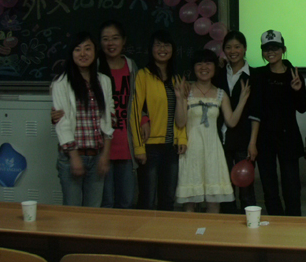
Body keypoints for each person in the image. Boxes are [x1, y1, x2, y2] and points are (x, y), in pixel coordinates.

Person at [174, 49, 250, 213]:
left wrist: (242, 100)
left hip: (213, 151)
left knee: (213, 201)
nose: (204, 67)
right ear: (193, 68)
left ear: (215, 67)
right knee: (190, 201)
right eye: (199, 63)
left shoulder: (220, 94)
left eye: (208, 63)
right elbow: (180, 123)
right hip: (191, 150)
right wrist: (180, 98)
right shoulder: (186, 91)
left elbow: (231, 122)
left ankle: (209, 230)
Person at [51, 31, 114, 207]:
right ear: (71, 53)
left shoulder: (104, 81)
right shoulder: (61, 83)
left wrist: (105, 155)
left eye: (88, 48)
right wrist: (74, 157)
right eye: (78, 49)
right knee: (72, 213)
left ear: (95, 52)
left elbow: (109, 119)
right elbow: (62, 123)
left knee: (93, 212)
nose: (83, 53)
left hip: (97, 156)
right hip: (71, 156)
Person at [250, 30, 306, 216]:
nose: (270, 52)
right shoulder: (259, 75)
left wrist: (298, 90)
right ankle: (275, 222)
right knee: (269, 186)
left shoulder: (294, 74)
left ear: (283, 49)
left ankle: (293, 222)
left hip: (288, 137)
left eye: (275, 48)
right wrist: (252, 142)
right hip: (264, 138)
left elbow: (302, 108)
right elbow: (256, 110)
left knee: (292, 185)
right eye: (266, 49)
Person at [131, 30, 187, 210]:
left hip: (171, 148)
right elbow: (135, 111)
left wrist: (182, 138)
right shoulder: (143, 75)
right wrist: (139, 147)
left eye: (166, 45)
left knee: (168, 200)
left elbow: (181, 110)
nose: (162, 49)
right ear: (151, 49)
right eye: (158, 45)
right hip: (150, 147)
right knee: (147, 199)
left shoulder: (176, 78)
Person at [215, 31, 259, 214]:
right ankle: (228, 226)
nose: (233, 51)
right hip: (221, 140)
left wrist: (253, 143)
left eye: (237, 47)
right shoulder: (217, 75)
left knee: (246, 189)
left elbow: (256, 113)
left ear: (245, 48)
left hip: (244, 140)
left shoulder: (254, 76)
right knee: (225, 189)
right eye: (228, 47)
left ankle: (251, 225)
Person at [97, 20, 140, 209]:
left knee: (127, 202)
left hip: (126, 143)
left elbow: (139, 99)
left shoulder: (130, 66)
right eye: (105, 39)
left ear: (123, 41)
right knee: (106, 202)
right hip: (102, 144)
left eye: (115, 38)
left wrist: (144, 119)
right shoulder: (95, 65)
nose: (110, 43)